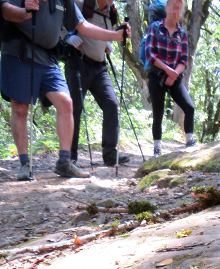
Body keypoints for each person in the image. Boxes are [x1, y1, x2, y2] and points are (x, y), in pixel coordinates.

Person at [0, 0, 130, 180]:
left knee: (66, 102)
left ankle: (64, 162)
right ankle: (24, 164)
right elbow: (6, 10)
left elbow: (83, 25)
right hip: (20, 51)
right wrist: (26, 11)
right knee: (21, 107)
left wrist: (116, 36)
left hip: (48, 56)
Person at [64, 0, 130, 167]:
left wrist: (106, 43)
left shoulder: (111, 11)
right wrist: (68, 37)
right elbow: (60, 20)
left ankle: (110, 154)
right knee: (75, 109)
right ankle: (70, 157)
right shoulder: (81, 4)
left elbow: (104, 32)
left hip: (99, 66)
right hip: (78, 62)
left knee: (111, 104)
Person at [145, 0, 195, 157]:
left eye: (179, 7)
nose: (176, 10)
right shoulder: (155, 28)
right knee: (158, 112)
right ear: (167, 8)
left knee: (189, 108)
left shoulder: (182, 34)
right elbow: (150, 54)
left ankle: (190, 142)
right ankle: (157, 150)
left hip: (175, 77)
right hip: (156, 75)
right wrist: (167, 69)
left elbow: (184, 60)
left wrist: (174, 75)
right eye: (173, 6)